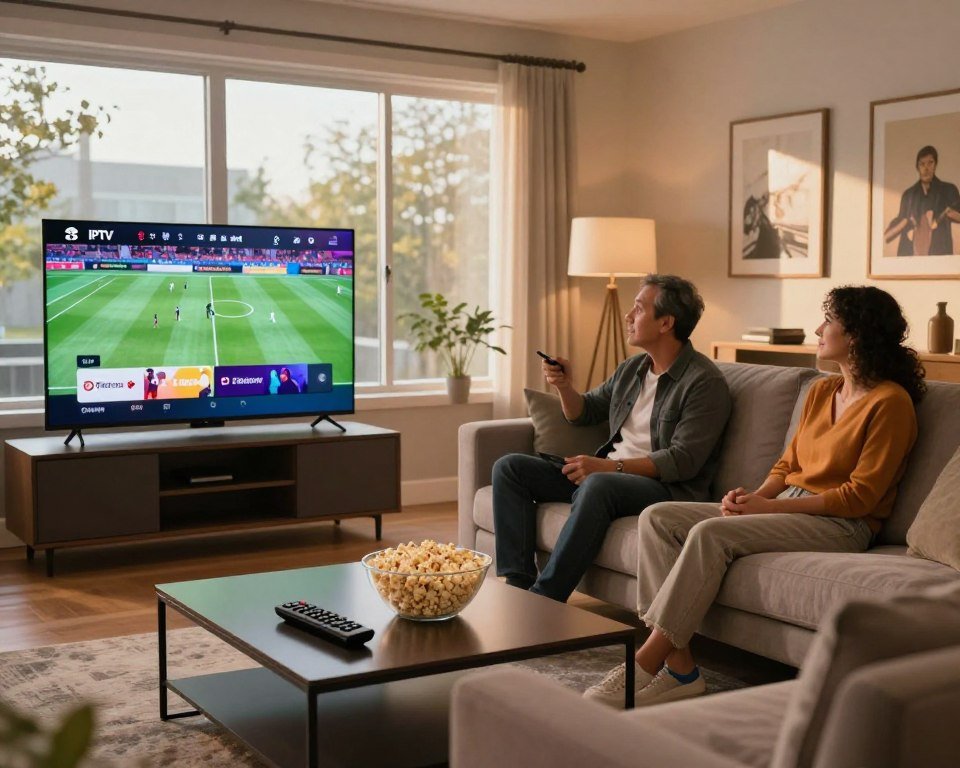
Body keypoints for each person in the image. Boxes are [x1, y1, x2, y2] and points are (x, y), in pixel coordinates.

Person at [584, 285, 924, 708]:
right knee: (658, 517)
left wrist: (770, 507)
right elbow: (786, 464)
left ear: (855, 334)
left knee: (712, 535)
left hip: (842, 524)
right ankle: (684, 669)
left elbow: (859, 497)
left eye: (828, 321)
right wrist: (754, 497)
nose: (818, 329)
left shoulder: (891, 403)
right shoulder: (822, 391)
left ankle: (646, 663)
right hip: (789, 505)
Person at [492, 275, 732, 603]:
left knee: (598, 485)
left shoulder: (704, 383)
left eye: (638, 308)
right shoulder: (632, 369)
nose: (628, 316)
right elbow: (584, 413)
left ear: (666, 322)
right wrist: (563, 385)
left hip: (666, 489)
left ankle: (545, 599)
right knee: (510, 468)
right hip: (611, 476)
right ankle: (518, 590)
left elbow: (682, 461)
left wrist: (609, 467)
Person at [884, 145, 960, 256]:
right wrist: (904, 221)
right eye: (922, 164)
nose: (926, 168)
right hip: (911, 258)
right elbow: (890, 233)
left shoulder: (948, 190)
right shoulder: (908, 195)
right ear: (917, 167)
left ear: (935, 165)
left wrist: (949, 214)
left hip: (939, 257)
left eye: (930, 163)